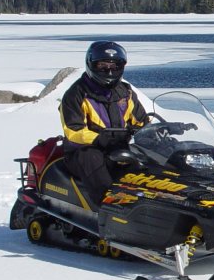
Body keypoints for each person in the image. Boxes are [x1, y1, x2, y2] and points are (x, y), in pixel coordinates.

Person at [59, 41, 148, 204]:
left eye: (114, 66)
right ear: (92, 65)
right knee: (91, 157)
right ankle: (106, 206)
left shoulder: (125, 93)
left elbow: (141, 122)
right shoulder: (76, 94)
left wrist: (159, 132)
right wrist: (98, 139)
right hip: (82, 152)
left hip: (117, 148)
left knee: (149, 158)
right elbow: (73, 130)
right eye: (103, 66)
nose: (109, 70)